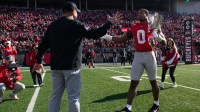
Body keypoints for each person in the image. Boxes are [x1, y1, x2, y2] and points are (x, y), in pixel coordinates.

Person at [33, 1, 121, 112]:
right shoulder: (76, 24)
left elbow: (43, 44)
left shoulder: (53, 25)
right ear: (73, 11)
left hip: (56, 67)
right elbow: (93, 35)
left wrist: (38, 60)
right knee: (73, 98)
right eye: (76, 12)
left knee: (55, 96)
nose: (77, 14)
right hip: (71, 66)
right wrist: (109, 23)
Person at [101, 9, 166, 112]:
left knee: (153, 82)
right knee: (133, 83)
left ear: (147, 15)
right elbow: (122, 39)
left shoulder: (153, 25)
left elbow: (164, 43)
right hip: (138, 55)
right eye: (138, 13)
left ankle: (156, 104)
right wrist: (107, 37)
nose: (139, 14)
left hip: (150, 54)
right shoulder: (134, 26)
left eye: (142, 13)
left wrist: (157, 37)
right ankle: (128, 108)